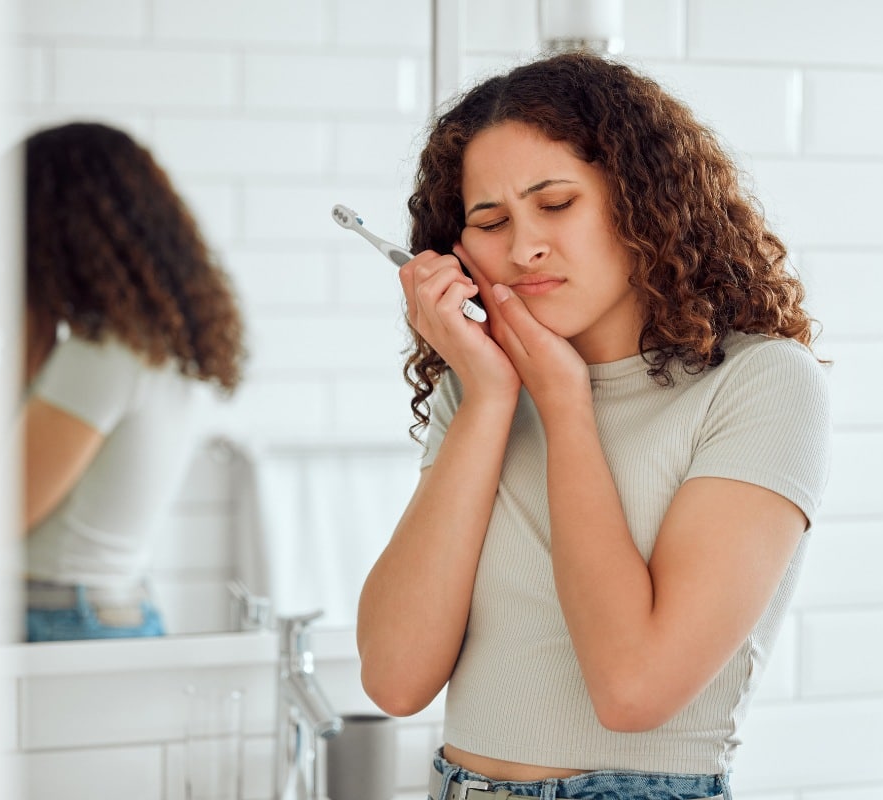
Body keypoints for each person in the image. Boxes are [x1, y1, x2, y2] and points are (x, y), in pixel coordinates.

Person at [356, 52, 831, 799]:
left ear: (639, 201)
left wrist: (566, 407)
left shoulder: (762, 383)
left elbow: (632, 688)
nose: (523, 248)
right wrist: (487, 400)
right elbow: (394, 677)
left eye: (556, 203)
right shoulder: (482, 389)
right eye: (490, 220)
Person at [20, 122, 245, 643]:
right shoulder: (155, 345)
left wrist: (22, 330)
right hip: (107, 611)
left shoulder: (99, 355)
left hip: (59, 618)